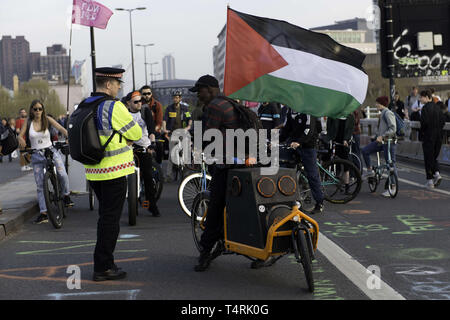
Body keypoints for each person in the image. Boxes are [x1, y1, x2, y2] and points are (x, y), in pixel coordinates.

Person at [77, 67, 142, 281]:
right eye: (117, 84)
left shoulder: (85, 104)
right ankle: (103, 267)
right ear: (108, 84)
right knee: (110, 220)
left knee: (105, 217)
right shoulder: (114, 107)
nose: (118, 88)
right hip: (113, 171)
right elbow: (136, 133)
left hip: (93, 171)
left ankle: (104, 262)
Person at [188, 75, 241, 272]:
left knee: (215, 208)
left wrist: (196, 151)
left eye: (199, 91)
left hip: (225, 166)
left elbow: (207, 137)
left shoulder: (215, 107)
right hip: (244, 164)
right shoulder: (230, 103)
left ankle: (205, 253)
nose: (198, 96)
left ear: (210, 89)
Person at [17, 100, 74, 224]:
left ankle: (66, 195)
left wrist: (69, 136)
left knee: (62, 174)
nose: (38, 111)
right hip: (36, 155)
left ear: (43, 110)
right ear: (31, 110)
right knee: (40, 185)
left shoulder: (47, 119)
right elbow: (20, 135)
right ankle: (43, 213)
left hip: (51, 152)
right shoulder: (28, 122)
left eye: (40, 109)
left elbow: (60, 128)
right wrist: (20, 138)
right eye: (35, 109)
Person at [280, 109, 324, 214]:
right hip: (293, 143)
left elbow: (309, 130)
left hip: (308, 145)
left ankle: (319, 202)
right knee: (285, 170)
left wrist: (299, 142)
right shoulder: (290, 111)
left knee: (312, 174)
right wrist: (276, 140)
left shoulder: (307, 110)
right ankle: (289, 200)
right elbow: (286, 129)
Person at [126, 91, 161, 217]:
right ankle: (130, 201)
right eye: (136, 102)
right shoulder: (124, 114)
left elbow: (151, 129)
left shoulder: (145, 112)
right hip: (129, 147)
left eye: (140, 101)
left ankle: (152, 205)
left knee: (147, 175)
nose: (139, 103)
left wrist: (151, 144)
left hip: (144, 146)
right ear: (128, 103)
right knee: (125, 175)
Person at [361, 96, 397, 197]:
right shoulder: (382, 114)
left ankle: (392, 188)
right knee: (365, 151)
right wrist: (376, 136)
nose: (375, 105)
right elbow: (382, 128)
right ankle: (369, 171)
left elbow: (393, 128)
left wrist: (382, 136)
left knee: (391, 165)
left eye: (377, 103)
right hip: (382, 142)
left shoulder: (388, 113)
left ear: (381, 104)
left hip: (389, 142)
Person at [162, 90, 192, 182]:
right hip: (172, 133)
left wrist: (188, 127)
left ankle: (186, 173)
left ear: (180, 98)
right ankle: (169, 176)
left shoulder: (185, 108)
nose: (175, 99)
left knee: (186, 153)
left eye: (177, 97)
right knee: (171, 155)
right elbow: (164, 120)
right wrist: (164, 129)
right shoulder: (169, 109)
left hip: (183, 133)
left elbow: (189, 119)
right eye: (174, 97)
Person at [419, 90, 446, 188]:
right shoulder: (438, 108)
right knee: (434, 156)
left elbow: (424, 123)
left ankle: (430, 180)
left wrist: (422, 133)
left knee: (428, 157)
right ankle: (437, 173)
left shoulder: (425, 108)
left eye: (421, 97)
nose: (420, 99)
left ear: (426, 97)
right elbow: (443, 121)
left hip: (428, 136)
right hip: (438, 136)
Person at [326, 114, 355, 193]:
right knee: (335, 163)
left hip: (344, 144)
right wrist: (329, 138)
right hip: (334, 142)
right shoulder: (333, 115)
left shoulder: (350, 117)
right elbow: (329, 127)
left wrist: (346, 139)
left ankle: (347, 185)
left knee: (346, 165)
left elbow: (350, 130)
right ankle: (337, 182)